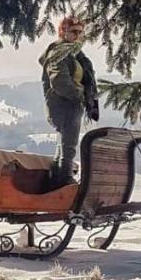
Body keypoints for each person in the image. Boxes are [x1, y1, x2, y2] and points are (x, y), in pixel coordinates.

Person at [39, 16, 99, 186]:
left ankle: (57, 181)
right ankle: (64, 181)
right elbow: (60, 82)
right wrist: (81, 96)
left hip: (72, 103)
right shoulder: (59, 53)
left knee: (64, 144)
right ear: (62, 31)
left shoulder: (74, 53)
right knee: (68, 145)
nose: (78, 35)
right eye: (74, 31)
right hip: (64, 104)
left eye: (81, 32)